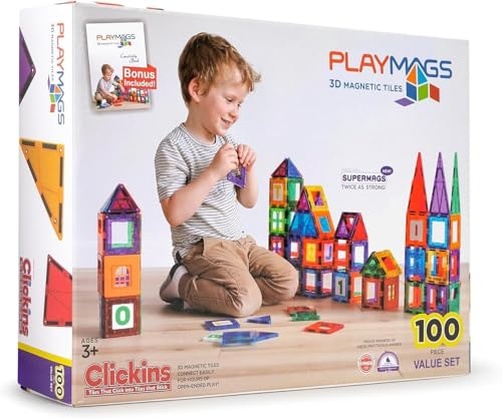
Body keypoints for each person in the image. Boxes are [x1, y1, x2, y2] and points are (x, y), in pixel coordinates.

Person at [154, 32, 298, 317]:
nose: (235, 112)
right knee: (245, 302)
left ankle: (229, 290)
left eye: (239, 104)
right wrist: (213, 172)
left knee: (287, 280)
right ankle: (181, 283)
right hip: (202, 248)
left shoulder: (226, 143)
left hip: (239, 242)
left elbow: (248, 201)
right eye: (230, 100)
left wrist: (250, 170)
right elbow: (174, 213)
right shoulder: (173, 147)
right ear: (197, 90)